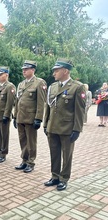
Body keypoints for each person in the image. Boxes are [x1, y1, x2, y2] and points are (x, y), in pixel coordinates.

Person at [43, 58, 86, 191]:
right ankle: (55, 176)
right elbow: (48, 107)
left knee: (67, 155)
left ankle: (64, 178)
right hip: (52, 126)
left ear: (65, 71)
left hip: (67, 128)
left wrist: (77, 129)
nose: (54, 73)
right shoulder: (53, 87)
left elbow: (80, 111)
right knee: (54, 152)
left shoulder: (77, 87)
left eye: (56, 70)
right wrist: (45, 124)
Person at [13, 60, 47, 173]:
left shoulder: (39, 83)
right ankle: (24, 160)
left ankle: (31, 162)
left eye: (26, 69)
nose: (24, 71)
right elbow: (17, 101)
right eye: (23, 69)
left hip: (31, 118)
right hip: (20, 117)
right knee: (22, 140)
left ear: (33, 70)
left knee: (31, 142)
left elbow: (41, 103)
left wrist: (38, 118)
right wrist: (14, 116)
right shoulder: (21, 84)